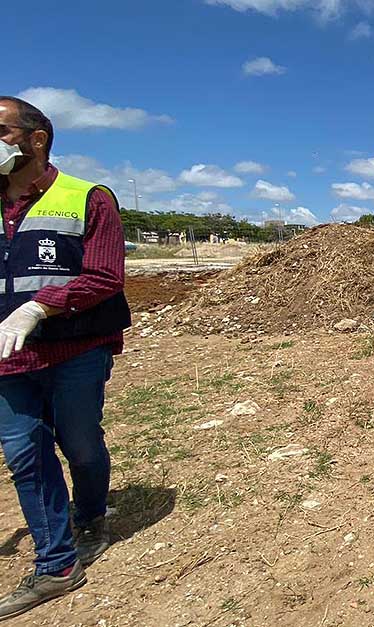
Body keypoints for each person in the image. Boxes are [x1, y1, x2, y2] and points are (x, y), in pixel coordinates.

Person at [0, 96, 132, 621]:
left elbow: (104, 276)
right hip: (8, 361)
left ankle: (92, 514)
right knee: (25, 454)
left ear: (36, 139)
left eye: (1, 129)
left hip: (76, 349)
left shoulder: (88, 198)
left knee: (80, 445)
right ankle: (57, 564)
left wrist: (39, 307)